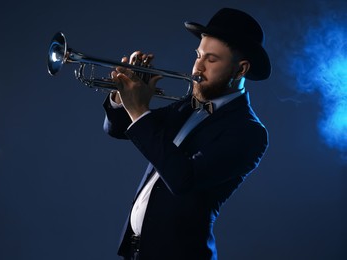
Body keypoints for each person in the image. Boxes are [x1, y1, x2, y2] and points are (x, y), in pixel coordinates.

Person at [102, 7, 271, 260]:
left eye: (211, 60)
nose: (197, 68)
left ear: (241, 69)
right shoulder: (187, 106)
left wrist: (138, 108)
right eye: (198, 55)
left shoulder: (248, 131)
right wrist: (121, 94)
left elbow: (183, 179)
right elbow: (118, 130)